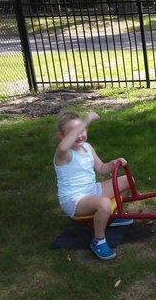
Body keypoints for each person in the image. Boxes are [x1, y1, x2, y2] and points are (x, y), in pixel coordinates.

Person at [54, 111, 133, 260]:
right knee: (103, 203)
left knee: (129, 181)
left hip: (91, 190)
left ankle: (112, 216)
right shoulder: (64, 154)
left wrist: (114, 163)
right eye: (73, 132)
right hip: (74, 200)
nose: (79, 135)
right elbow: (63, 147)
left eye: (82, 130)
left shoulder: (87, 147)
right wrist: (84, 122)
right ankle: (99, 240)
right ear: (61, 136)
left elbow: (101, 168)